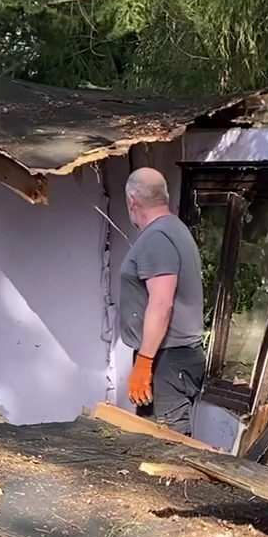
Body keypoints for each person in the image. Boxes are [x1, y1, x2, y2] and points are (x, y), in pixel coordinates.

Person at [116, 167, 206, 434]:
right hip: (170, 358)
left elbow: (161, 303)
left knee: (167, 449)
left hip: (167, 361)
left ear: (132, 200)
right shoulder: (173, 229)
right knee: (155, 444)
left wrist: (144, 364)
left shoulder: (158, 238)